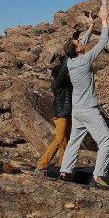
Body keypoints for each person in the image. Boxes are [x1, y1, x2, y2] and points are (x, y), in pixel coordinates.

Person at [58, 4, 109, 189]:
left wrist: (90, 26)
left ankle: (65, 171)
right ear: (78, 50)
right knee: (105, 141)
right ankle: (98, 176)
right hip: (88, 110)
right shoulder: (85, 60)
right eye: (79, 44)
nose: (81, 42)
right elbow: (103, 40)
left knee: (74, 141)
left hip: (77, 110)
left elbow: (81, 40)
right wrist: (104, 19)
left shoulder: (71, 61)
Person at [36, 31, 81, 173]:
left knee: (64, 142)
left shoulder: (67, 83)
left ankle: (63, 166)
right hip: (61, 115)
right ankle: (42, 164)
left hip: (67, 114)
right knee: (59, 139)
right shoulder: (57, 84)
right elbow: (63, 71)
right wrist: (70, 51)